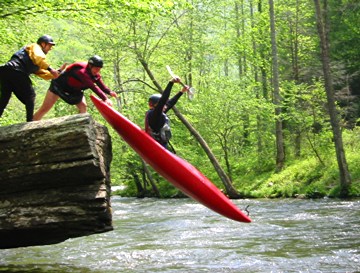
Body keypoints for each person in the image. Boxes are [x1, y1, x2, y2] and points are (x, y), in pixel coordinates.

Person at [0, 35, 63, 122]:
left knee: (4, 99)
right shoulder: (35, 47)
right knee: (30, 95)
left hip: (7, 71)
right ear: (43, 44)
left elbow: (44, 74)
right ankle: (30, 122)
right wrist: (51, 69)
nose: (50, 48)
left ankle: (29, 121)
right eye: (49, 45)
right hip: (16, 70)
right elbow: (39, 58)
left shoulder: (36, 61)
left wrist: (57, 73)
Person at [33, 55, 117, 120]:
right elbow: (93, 86)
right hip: (59, 86)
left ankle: (82, 128)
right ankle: (31, 123)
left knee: (83, 106)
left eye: (99, 69)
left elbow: (100, 84)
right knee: (45, 109)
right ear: (90, 66)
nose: (97, 71)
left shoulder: (95, 74)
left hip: (74, 90)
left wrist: (109, 92)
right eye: (96, 68)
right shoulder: (82, 72)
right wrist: (105, 98)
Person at [145, 76, 189, 149]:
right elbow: (163, 99)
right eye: (163, 104)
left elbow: (170, 103)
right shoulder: (154, 115)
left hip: (161, 145)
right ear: (156, 105)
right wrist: (171, 83)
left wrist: (181, 92)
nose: (166, 106)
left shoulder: (157, 113)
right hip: (157, 147)